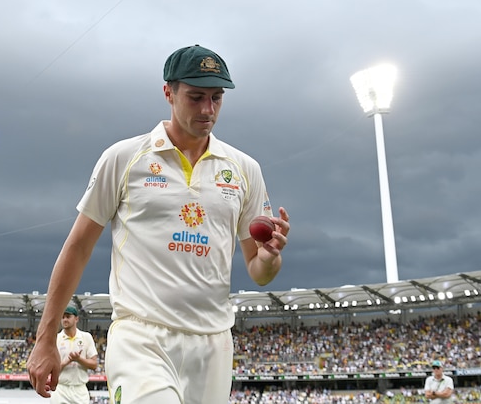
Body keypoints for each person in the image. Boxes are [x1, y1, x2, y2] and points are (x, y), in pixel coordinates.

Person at [26, 44, 290, 404]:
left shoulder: (244, 169)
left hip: (214, 343)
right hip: (141, 337)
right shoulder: (123, 158)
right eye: (195, 97)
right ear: (168, 92)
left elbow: (259, 272)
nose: (207, 109)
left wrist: (271, 256)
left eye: (216, 98)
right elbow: (78, 247)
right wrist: (45, 338)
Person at [50, 306, 99, 404]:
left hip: (80, 389)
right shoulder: (56, 338)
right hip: (60, 389)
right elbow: (51, 369)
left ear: (76, 319)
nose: (65, 320)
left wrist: (78, 359)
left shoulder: (86, 337)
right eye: (62, 317)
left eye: (68, 317)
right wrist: (68, 361)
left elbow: (94, 365)